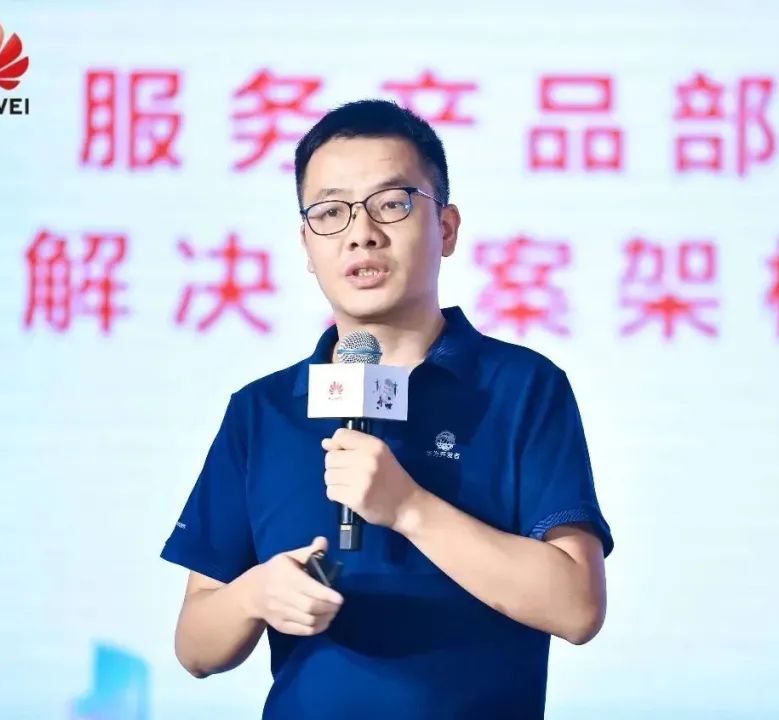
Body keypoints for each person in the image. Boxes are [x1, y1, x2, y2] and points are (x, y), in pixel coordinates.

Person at [160, 99, 614, 720]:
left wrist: (408, 508)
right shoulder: (262, 411)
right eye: (330, 212)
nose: (361, 232)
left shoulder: (521, 388)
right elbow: (194, 648)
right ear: (306, 245)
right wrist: (255, 595)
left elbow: (577, 608)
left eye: (392, 203)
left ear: (446, 228)